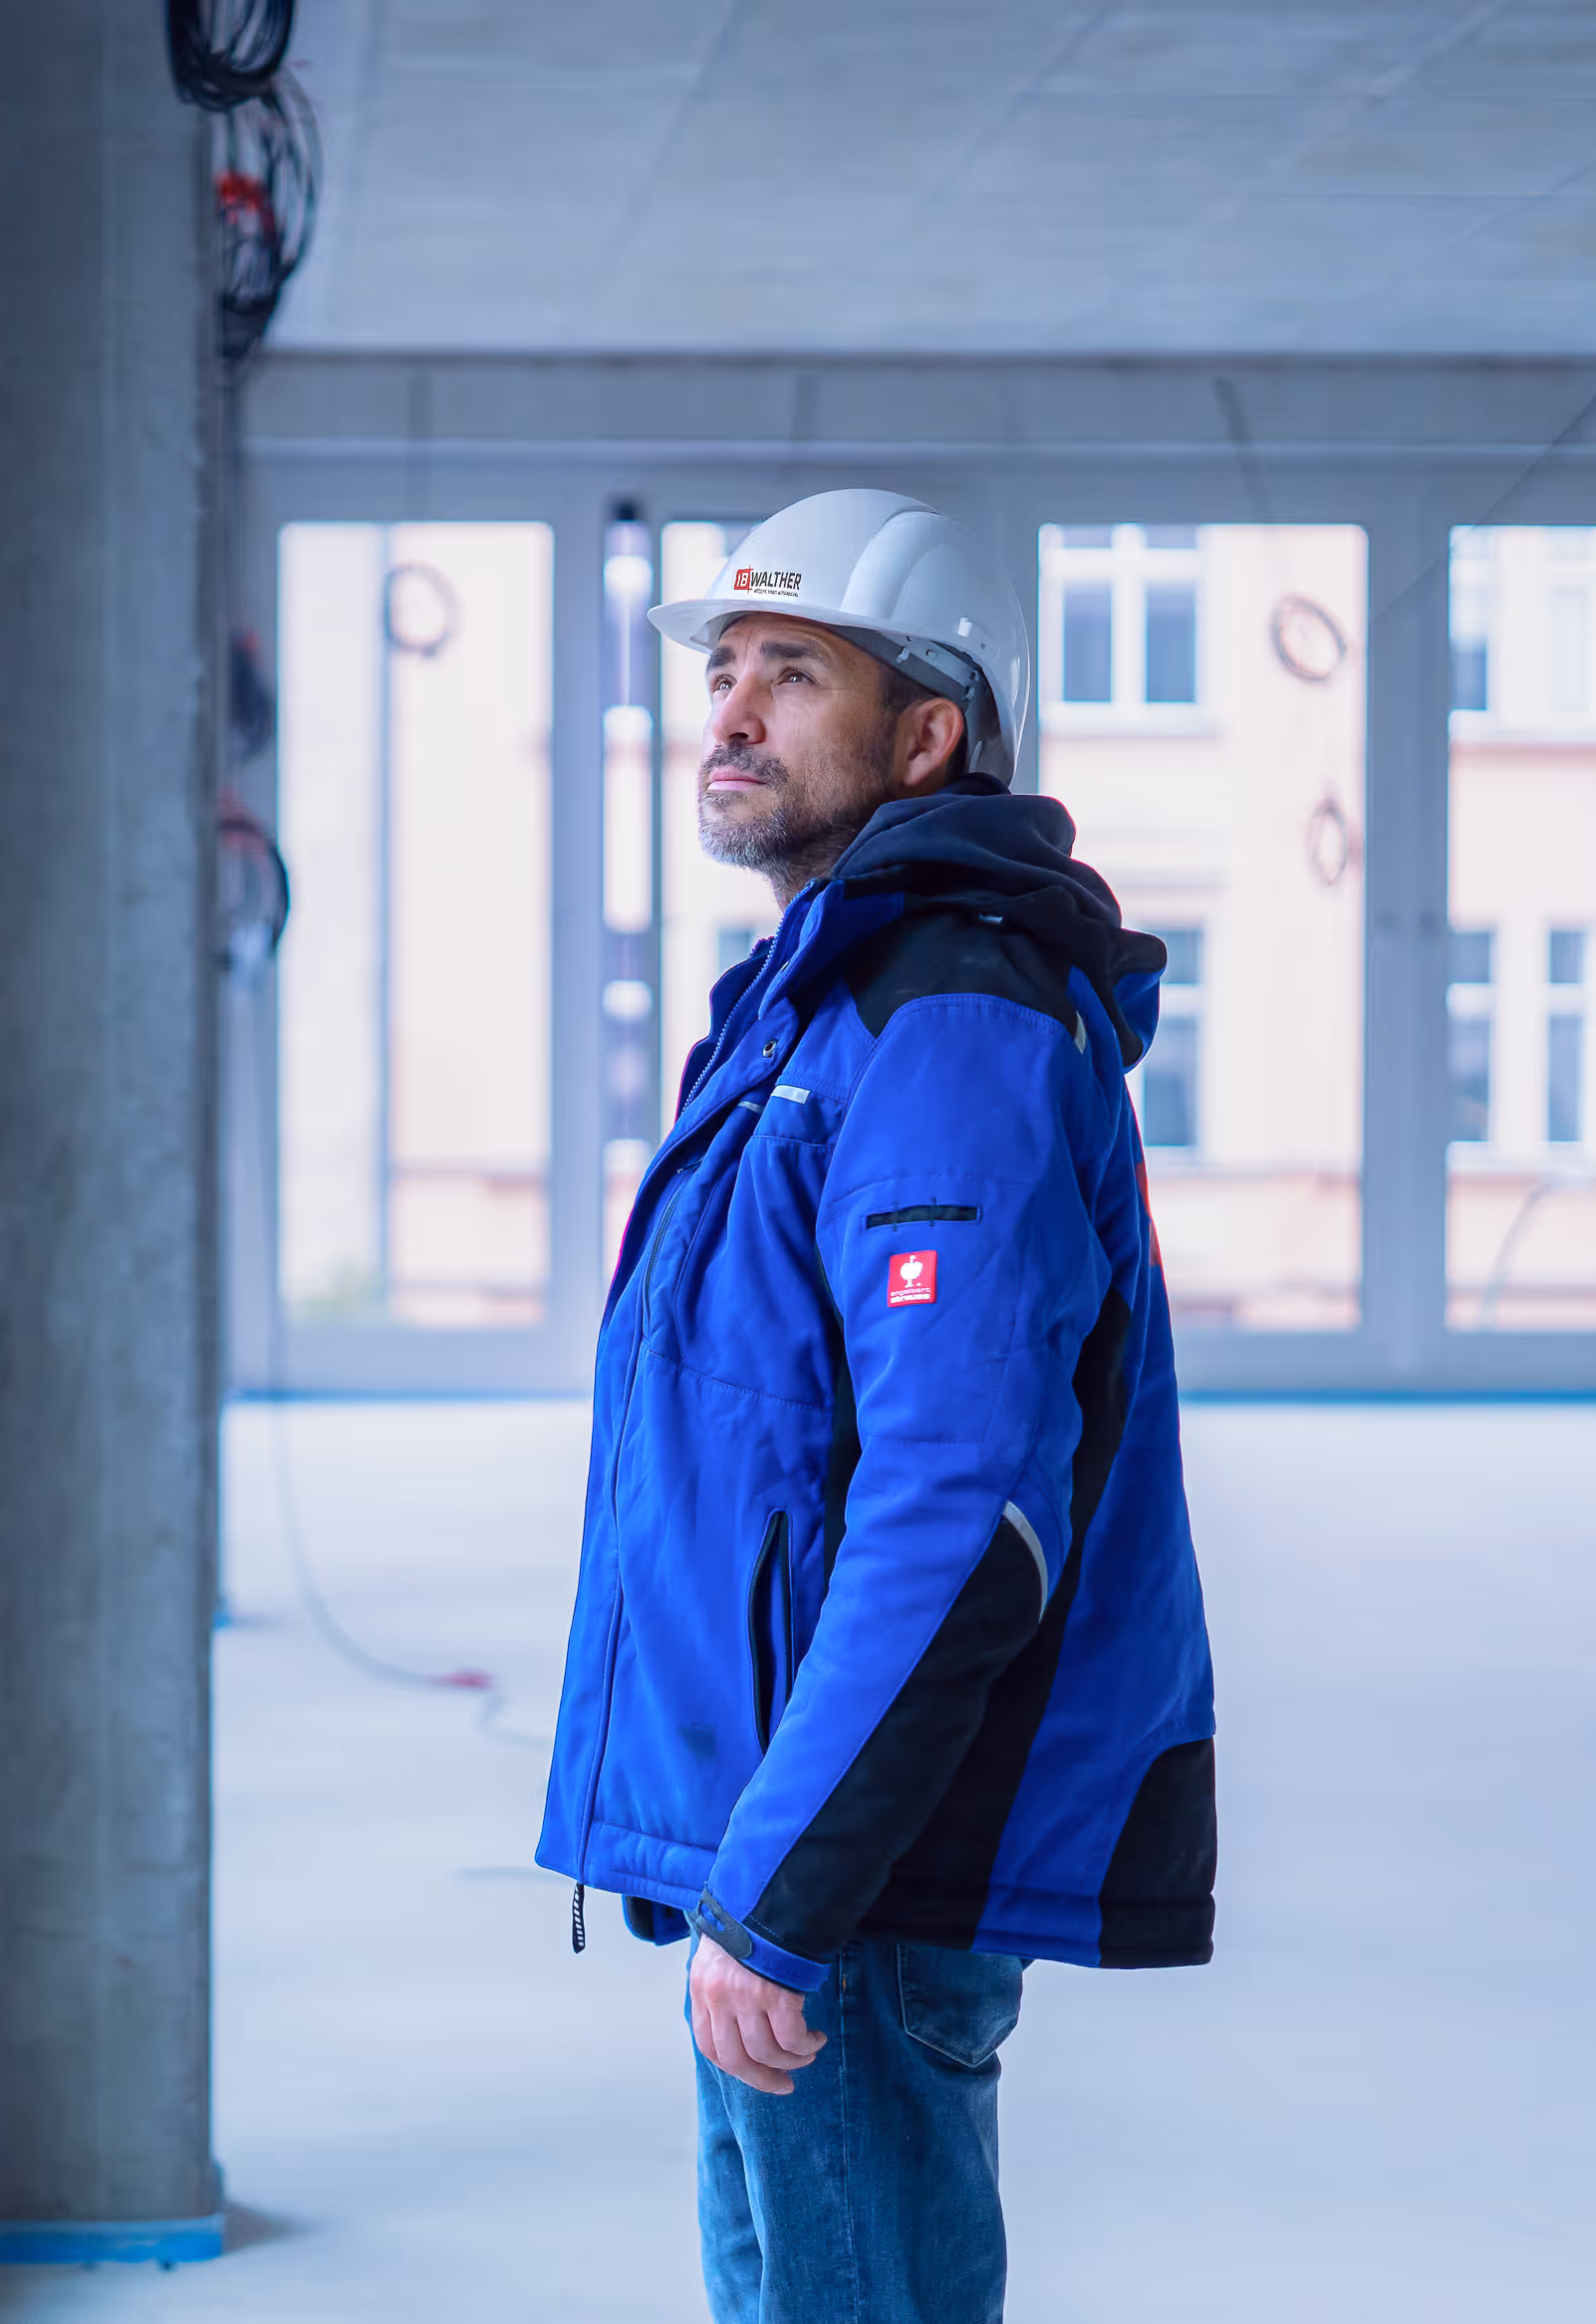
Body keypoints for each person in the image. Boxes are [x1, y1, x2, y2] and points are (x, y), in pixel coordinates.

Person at [535, 489, 1217, 2324]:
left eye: (793, 674)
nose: (731, 717)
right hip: (789, 1839)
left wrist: (790, 1894)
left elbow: (965, 1506)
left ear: (929, 734)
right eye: (724, 674)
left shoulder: (951, 1026)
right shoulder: (818, 1006)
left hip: (857, 1877)